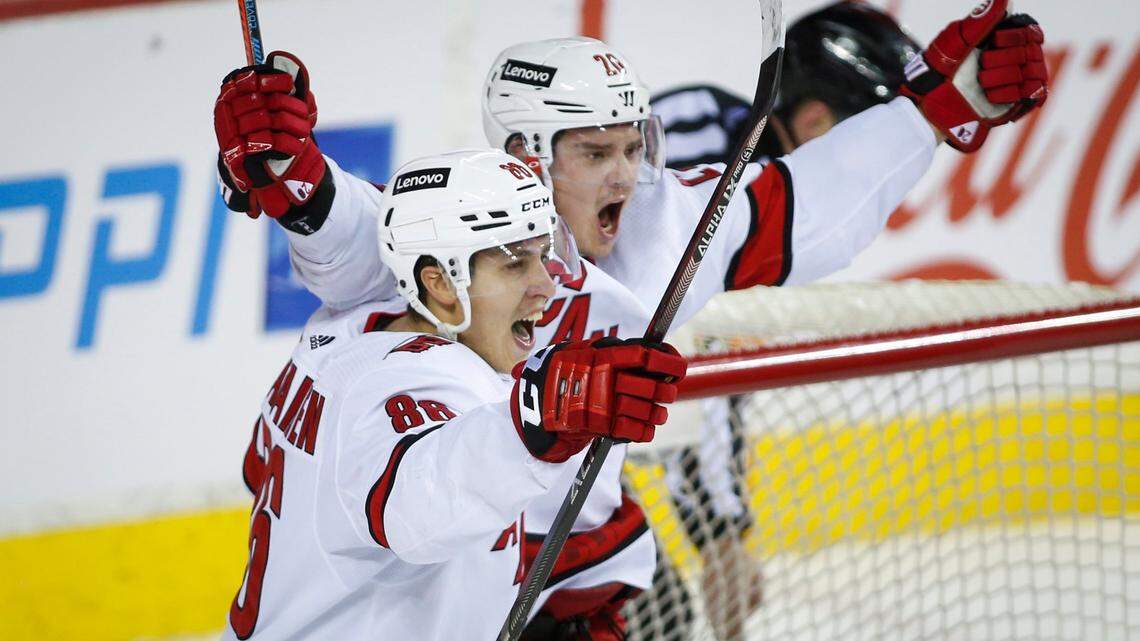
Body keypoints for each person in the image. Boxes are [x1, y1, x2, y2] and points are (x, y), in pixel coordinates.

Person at [213, 1, 1047, 636]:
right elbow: (353, 232)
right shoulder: (442, 256)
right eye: (593, 152)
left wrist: (935, 111)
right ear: (526, 160)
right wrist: (300, 179)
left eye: (632, 145)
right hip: (445, 589)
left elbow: (802, 208)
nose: (625, 176)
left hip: (577, 587)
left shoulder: (655, 223)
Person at [221, 148, 686, 640]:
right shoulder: (400, 386)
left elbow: (260, 468)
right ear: (439, 282)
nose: (545, 286)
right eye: (514, 265)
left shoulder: (338, 338)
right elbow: (419, 504)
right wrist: (537, 423)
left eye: (544, 257)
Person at [642, 4, 925, 638]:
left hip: (579, 428)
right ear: (816, 120)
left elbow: (713, 380)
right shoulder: (688, 152)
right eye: (863, 140)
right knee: (643, 617)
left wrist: (722, 532)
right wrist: (721, 537)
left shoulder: (767, 190)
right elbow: (690, 369)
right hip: (532, 422)